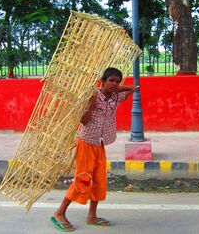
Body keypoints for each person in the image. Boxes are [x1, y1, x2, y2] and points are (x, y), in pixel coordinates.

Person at [50, 67, 136, 232]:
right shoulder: (92, 96)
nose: (115, 84)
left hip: (100, 143)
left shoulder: (115, 97)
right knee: (83, 179)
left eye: (117, 81)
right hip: (87, 142)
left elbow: (132, 88)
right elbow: (83, 120)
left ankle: (92, 215)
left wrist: (115, 88)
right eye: (111, 80)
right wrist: (91, 102)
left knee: (98, 179)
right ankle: (59, 213)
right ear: (102, 81)